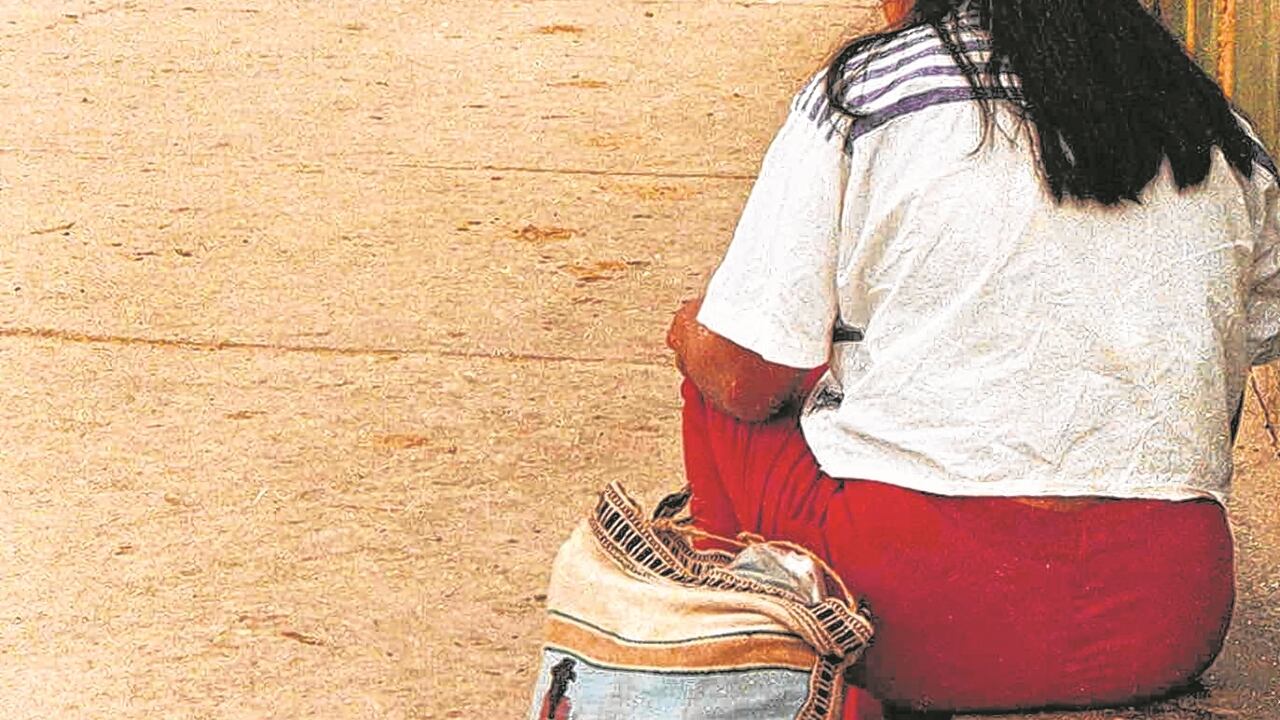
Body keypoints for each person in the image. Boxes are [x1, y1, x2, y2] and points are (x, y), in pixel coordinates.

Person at [666, 0, 1280, 715]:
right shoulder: (1209, 120)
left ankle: (737, 645)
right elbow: (1245, 338)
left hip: (911, 626)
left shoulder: (866, 96)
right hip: (1165, 622)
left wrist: (693, 336)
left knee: (721, 359)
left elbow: (745, 379)